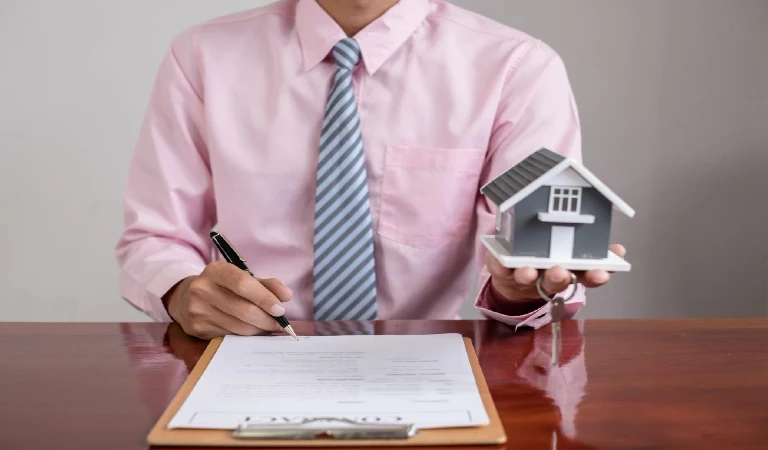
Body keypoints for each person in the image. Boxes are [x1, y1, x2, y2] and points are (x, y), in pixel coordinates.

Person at [115, 0, 626, 339]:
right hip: (251, 358)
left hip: (431, 374)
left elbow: (532, 250)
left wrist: (516, 290)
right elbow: (153, 236)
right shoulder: (202, 56)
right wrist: (182, 292)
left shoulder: (517, 67)